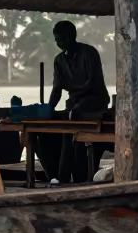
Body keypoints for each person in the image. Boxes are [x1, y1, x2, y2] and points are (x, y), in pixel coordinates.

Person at [43, 20, 109, 183]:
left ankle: (63, 177)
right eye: (57, 39)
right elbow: (57, 89)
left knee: (72, 121)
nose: (60, 43)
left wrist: (70, 87)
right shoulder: (59, 60)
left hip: (95, 101)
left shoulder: (89, 53)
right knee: (44, 133)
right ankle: (54, 174)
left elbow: (92, 83)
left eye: (63, 38)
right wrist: (48, 109)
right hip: (74, 104)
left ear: (73, 36)